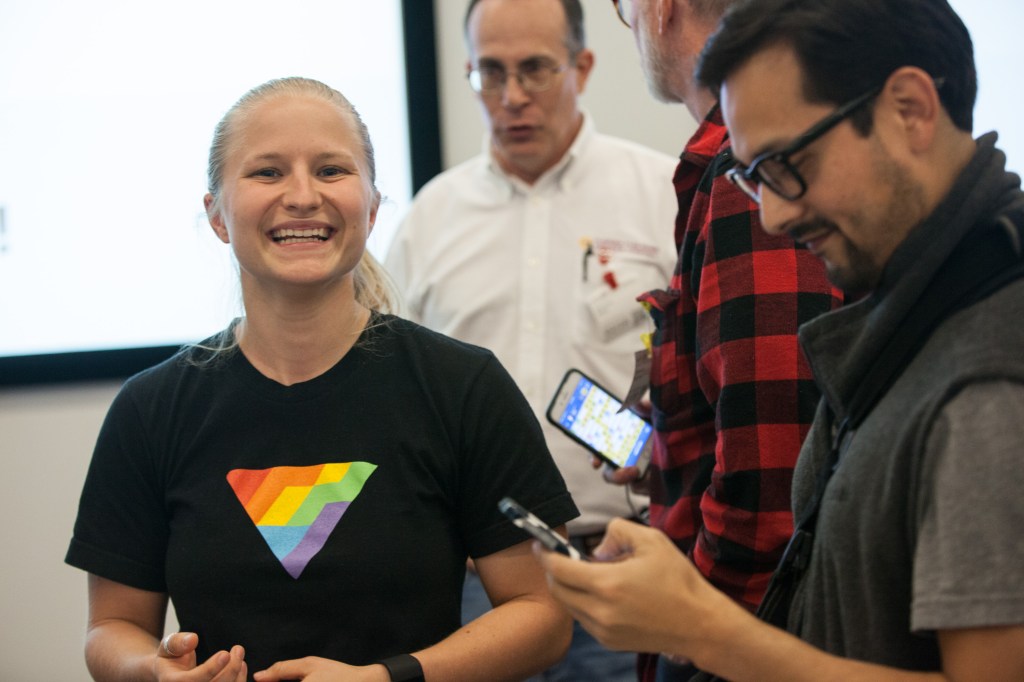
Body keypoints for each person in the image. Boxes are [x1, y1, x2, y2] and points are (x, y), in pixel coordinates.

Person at [538, 0, 1024, 678]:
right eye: (752, 177)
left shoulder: (985, 374)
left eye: (787, 163)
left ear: (910, 109)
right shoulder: (913, 314)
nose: (772, 216)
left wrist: (703, 629)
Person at [65, 76, 579, 682]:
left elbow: (543, 613)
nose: (303, 196)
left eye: (331, 170)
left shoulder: (464, 388)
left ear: (372, 207)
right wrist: (153, 671)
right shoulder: (150, 409)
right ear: (217, 215)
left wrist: (388, 678)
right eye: (267, 172)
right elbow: (111, 627)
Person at [385, 1, 677, 678]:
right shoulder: (430, 219)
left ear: (583, 66)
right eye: (490, 73)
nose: (512, 96)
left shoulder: (664, 194)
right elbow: (392, 397)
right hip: (470, 585)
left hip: (622, 564)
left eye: (535, 69)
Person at [605, 1, 842, 678]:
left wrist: (695, 638)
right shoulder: (733, 165)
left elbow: (769, 488)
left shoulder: (745, 172)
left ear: (661, 8)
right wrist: (674, 436)